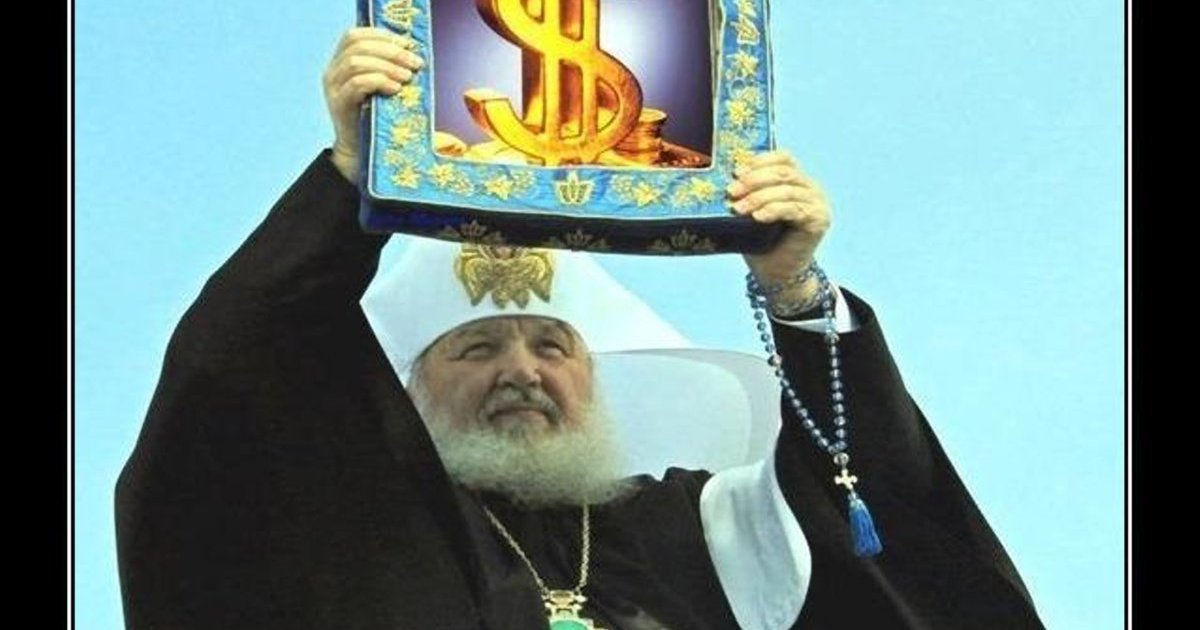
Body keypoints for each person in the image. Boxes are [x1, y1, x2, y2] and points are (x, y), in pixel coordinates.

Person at [115, 27, 1046, 629]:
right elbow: (227, 389)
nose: (521, 369)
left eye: (552, 344)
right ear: (411, 387)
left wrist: (793, 288)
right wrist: (352, 177)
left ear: (594, 376)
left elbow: (879, 512)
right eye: (477, 346)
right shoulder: (357, 529)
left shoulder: (699, 529)